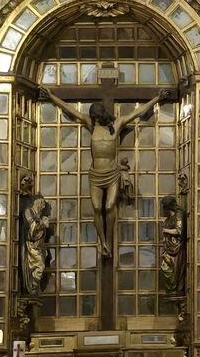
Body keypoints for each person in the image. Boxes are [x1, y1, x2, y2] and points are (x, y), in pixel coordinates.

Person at [34, 85, 172, 257]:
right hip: (95, 174)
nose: (94, 118)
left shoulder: (117, 123)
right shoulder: (91, 125)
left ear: (100, 115)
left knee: (109, 206)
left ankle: (108, 241)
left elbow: (137, 113)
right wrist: (52, 98)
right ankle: (104, 242)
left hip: (112, 173)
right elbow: (70, 109)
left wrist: (157, 99)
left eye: (95, 116)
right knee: (97, 207)